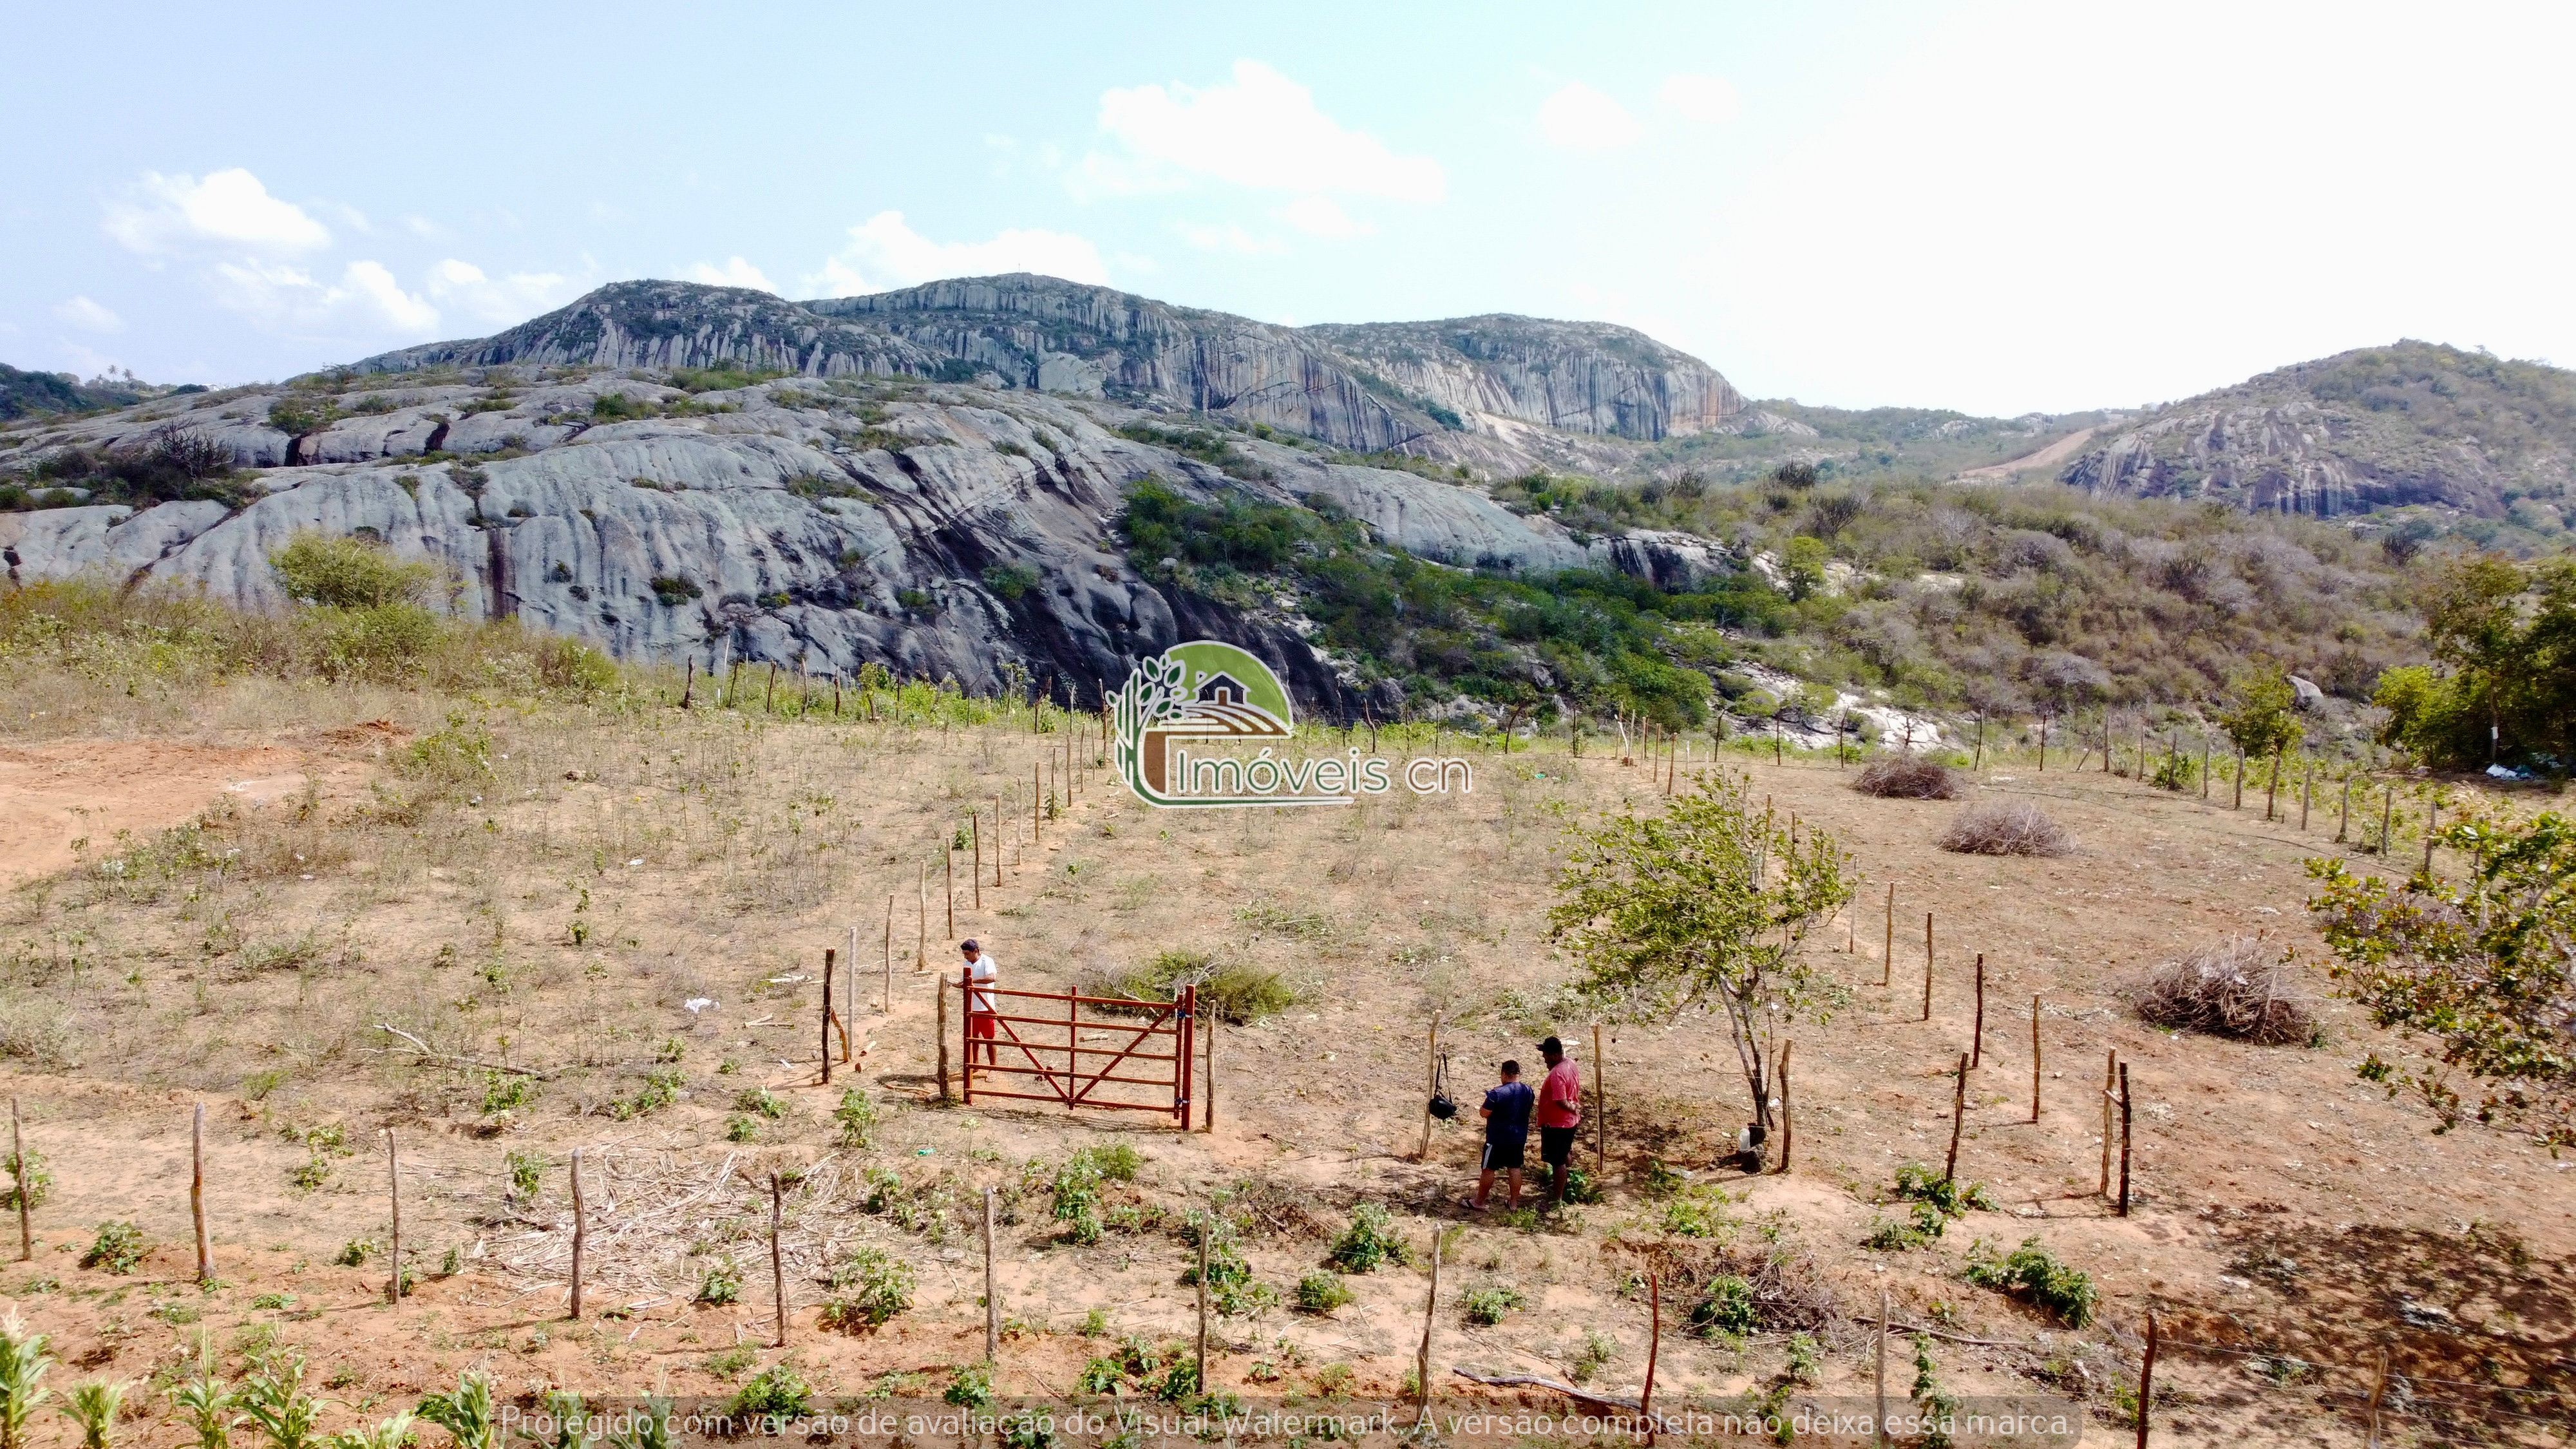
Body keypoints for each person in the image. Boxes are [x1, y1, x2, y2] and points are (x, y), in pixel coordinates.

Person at [1463, 1060, 1535, 1211]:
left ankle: (1479, 1201)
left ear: (1504, 1074)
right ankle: (1514, 1203)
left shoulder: (1497, 1093)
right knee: (1514, 1168)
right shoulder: (1528, 1091)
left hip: (1497, 1139)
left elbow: (1484, 1113)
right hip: (1518, 1138)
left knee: (1489, 1169)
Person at [1536, 1036, 1583, 1209]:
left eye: (1546, 1055)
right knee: (1564, 1152)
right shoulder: (1570, 1063)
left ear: (1555, 1055)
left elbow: (1561, 1100)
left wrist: (1573, 1108)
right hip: (1568, 1123)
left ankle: (1557, 1199)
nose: (1544, 1058)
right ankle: (1564, 1185)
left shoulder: (1557, 1074)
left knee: (1558, 1162)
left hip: (1558, 1124)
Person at [962, 939, 998, 1066]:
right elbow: (965, 982)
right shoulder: (967, 964)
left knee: (989, 1038)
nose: (965, 956)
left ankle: (993, 1067)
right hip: (971, 1008)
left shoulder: (987, 961)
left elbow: (992, 977)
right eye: (964, 954)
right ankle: (975, 1064)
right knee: (973, 1037)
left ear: (976, 951)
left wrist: (971, 981)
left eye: (967, 954)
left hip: (985, 1008)